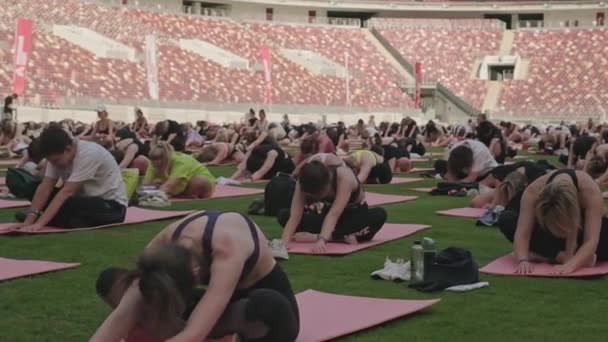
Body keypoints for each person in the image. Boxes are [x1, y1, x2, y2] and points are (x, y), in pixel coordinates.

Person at [91, 210, 300, 342]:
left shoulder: (226, 250)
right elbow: (124, 310)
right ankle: (173, 325)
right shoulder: (160, 246)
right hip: (195, 303)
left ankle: (169, 327)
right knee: (111, 279)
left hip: (247, 300)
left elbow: (195, 333)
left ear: (195, 273)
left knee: (270, 306)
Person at [10, 126, 128, 231]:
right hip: (82, 200)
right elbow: (45, 187)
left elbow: (66, 193)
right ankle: (61, 219)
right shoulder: (56, 156)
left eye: (56, 160)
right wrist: (29, 220)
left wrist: (39, 224)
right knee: (32, 187)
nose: (54, 164)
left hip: (112, 207)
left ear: (68, 149)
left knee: (69, 204)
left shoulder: (88, 153)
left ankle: (53, 218)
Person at [272, 157, 387, 259]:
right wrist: (282, 243)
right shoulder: (302, 182)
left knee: (379, 215)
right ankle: (341, 236)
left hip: (353, 217)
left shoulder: (343, 176)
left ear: (327, 183)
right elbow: (295, 215)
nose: (316, 198)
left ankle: (334, 236)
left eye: (319, 194)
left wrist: (320, 239)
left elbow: (334, 213)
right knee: (283, 215)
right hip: (328, 221)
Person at [496, 169, 608, 275]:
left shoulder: (590, 191)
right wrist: (523, 260)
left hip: (580, 232)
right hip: (549, 235)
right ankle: (555, 255)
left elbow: (591, 240)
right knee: (507, 219)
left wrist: (570, 265)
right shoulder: (534, 190)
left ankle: (544, 255)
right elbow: (523, 232)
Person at [144, 142, 215, 199]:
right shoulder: (153, 163)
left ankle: (188, 195)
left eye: (160, 165)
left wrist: (153, 197)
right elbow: (146, 184)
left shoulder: (181, 162)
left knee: (199, 181)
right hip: (180, 186)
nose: (156, 168)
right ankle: (180, 193)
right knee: (156, 184)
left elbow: (168, 185)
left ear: (166, 160)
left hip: (204, 186)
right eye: (154, 165)